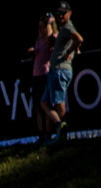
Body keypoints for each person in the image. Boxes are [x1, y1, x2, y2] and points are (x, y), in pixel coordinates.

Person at [42, 3, 83, 143]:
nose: (60, 16)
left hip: (60, 70)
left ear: (69, 13)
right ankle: (59, 126)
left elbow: (79, 39)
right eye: (58, 13)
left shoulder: (67, 27)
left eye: (63, 13)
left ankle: (64, 135)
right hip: (54, 70)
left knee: (59, 103)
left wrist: (69, 52)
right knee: (44, 102)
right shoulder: (63, 29)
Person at [28, 10, 59, 141]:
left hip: (45, 75)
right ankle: (41, 134)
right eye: (39, 26)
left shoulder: (52, 39)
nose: (41, 29)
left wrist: (50, 23)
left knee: (45, 105)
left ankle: (49, 133)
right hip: (36, 75)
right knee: (37, 107)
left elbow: (54, 44)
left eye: (43, 26)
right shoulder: (39, 40)